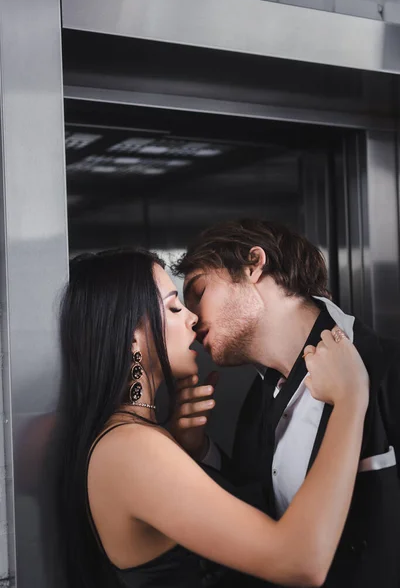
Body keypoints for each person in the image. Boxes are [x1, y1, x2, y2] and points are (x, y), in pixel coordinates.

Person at [57, 247, 369, 588]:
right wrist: (351, 399)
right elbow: (300, 562)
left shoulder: (132, 439)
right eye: (174, 307)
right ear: (132, 333)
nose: (192, 317)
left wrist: (188, 449)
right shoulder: (130, 447)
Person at [172, 219, 400, 588]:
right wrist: (202, 451)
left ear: (253, 264)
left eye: (199, 290)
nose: (193, 317)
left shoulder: (389, 370)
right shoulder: (256, 401)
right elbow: (259, 512)